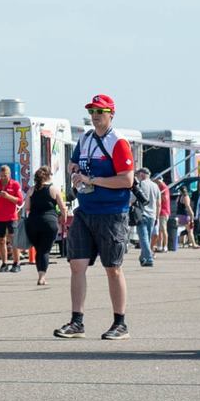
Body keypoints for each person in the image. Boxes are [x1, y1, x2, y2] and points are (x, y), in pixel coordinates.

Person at [56, 95, 133, 340]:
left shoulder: (118, 142)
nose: (95, 115)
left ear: (111, 113)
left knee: (113, 268)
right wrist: (76, 171)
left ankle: (120, 323)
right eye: (92, 110)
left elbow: (127, 180)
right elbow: (74, 162)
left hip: (111, 213)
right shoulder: (86, 138)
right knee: (76, 264)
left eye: (100, 110)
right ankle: (77, 321)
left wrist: (93, 180)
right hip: (85, 210)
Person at [23, 166, 63, 287]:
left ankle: (40, 275)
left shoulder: (31, 190)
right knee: (45, 250)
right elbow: (62, 207)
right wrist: (63, 219)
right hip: (49, 223)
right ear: (48, 176)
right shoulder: (54, 189)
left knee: (39, 250)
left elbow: (27, 207)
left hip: (33, 223)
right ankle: (42, 277)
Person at [0, 165, 24, 272]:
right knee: (1, 240)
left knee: (14, 240)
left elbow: (20, 201)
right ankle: (4, 263)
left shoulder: (15, 185)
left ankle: (16, 263)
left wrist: (7, 196)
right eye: (1, 176)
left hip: (11, 217)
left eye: (5, 176)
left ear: (9, 175)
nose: (3, 178)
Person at [131, 168, 160, 268]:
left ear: (142, 174)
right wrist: (157, 216)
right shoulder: (155, 185)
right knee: (146, 238)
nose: (137, 176)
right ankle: (143, 257)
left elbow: (134, 198)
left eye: (138, 174)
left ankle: (149, 258)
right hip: (152, 215)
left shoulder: (141, 184)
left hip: (142, 214)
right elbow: (158, 203)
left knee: (143, 238)